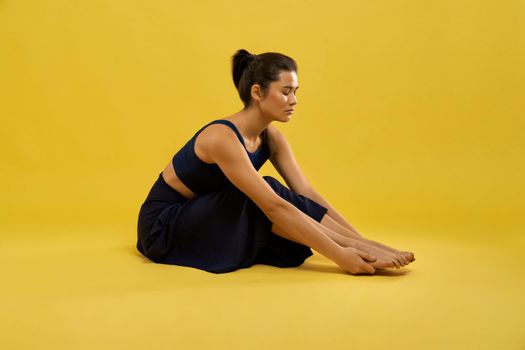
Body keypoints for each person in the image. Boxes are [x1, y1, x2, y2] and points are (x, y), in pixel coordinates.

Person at [136, 49, 415, 275]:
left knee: (275, 200)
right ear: (257, 93)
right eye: (285, 91)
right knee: (262, 193)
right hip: (165, 226)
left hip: (212, 213)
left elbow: (306, 193)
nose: (293, 100)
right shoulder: (222, 137)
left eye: (296, 91)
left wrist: (360, 239)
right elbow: (273, 206)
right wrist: (341, 255)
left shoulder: (272, 138)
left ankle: (365, 247)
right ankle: (357, 249)